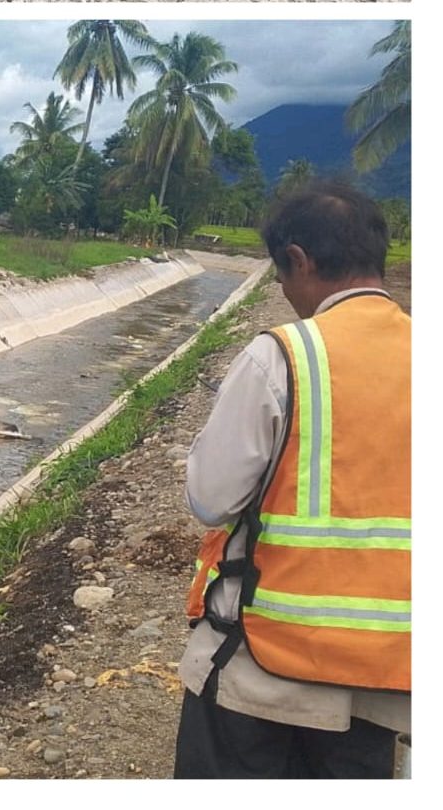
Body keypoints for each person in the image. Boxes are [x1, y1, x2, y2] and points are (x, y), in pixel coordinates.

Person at [175, 182, 410, 778]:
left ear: (299, 261)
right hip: (391, 673)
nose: (283, 292)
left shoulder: (284, 355)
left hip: (264, 663)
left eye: (282, 274)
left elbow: (211, 498)